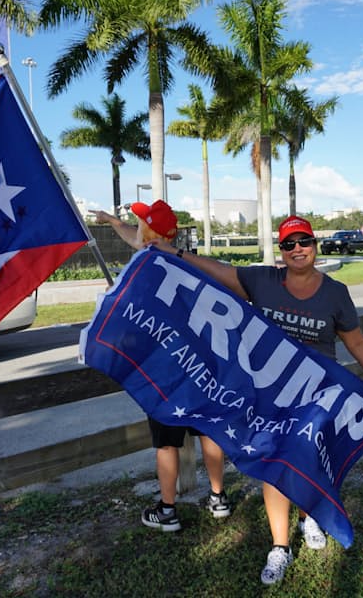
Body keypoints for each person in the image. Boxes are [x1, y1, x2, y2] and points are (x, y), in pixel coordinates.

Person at [148, 215, 363, 585]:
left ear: (315, 245)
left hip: (315, 394)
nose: (297, 249)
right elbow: (219, 270)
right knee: (275, 464)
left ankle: (308, 517)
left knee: (310, 460)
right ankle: (279, 546)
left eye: (304, 241)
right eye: (288, 244)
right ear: (281, 252)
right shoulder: (263, 281)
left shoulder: (335, 293)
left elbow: (357, 342)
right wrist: (172, 251)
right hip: (268, 396)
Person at [90, 201, 231, 530]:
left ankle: (167, 509)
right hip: (199, 367)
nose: (135, 227)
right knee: (207, 431)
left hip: (164, 374)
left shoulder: (144, 270)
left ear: (150, 234)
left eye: (140, 223)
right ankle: (218, 496)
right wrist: (112, 221)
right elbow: (134, 238)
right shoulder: (184, 261)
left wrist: (116, 298)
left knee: (166, 442)